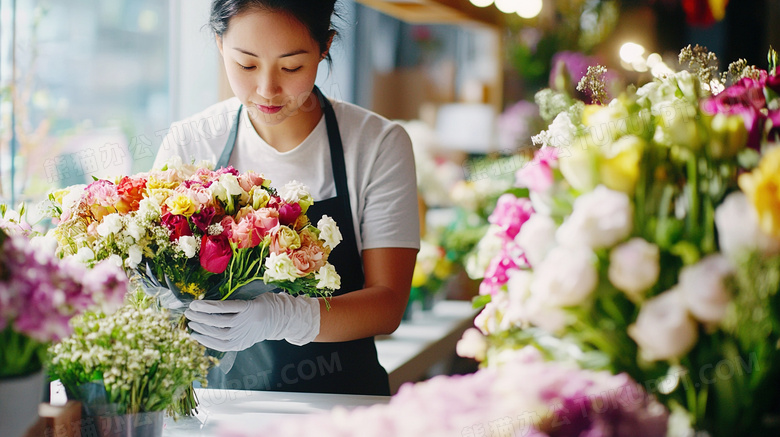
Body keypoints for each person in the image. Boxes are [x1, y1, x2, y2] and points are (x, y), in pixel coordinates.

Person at [152, 0, 419, 396]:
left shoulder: (376, 144)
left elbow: (388, 304)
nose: (267, 90)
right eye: (246, 64)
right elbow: (150, 279)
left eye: (291, 67)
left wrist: (283, 317)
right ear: (219, 43)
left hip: (339, 407)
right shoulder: (192, 141)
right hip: (217, 405)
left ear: (324, 47)